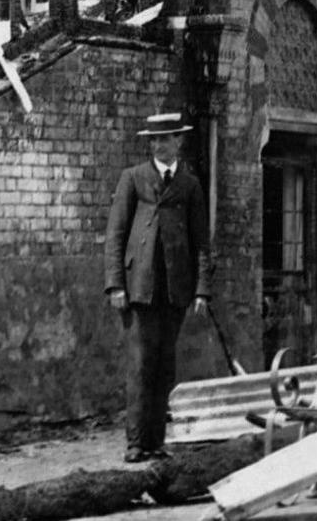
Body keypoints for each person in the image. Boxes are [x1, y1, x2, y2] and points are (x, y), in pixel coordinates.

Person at [103, 111, 211, 463]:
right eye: (153, 140)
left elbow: (202, 243)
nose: (158, 145)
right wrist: (115, 285)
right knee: (140, 365)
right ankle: (136, 443)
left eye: (165, 138)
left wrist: (201, 290)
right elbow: (116, 235)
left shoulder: (191, 185)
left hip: (175, 290)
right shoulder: (133, 179)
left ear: (178, 141)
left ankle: (157, 443)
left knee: (165, 367)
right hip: (139, 289)